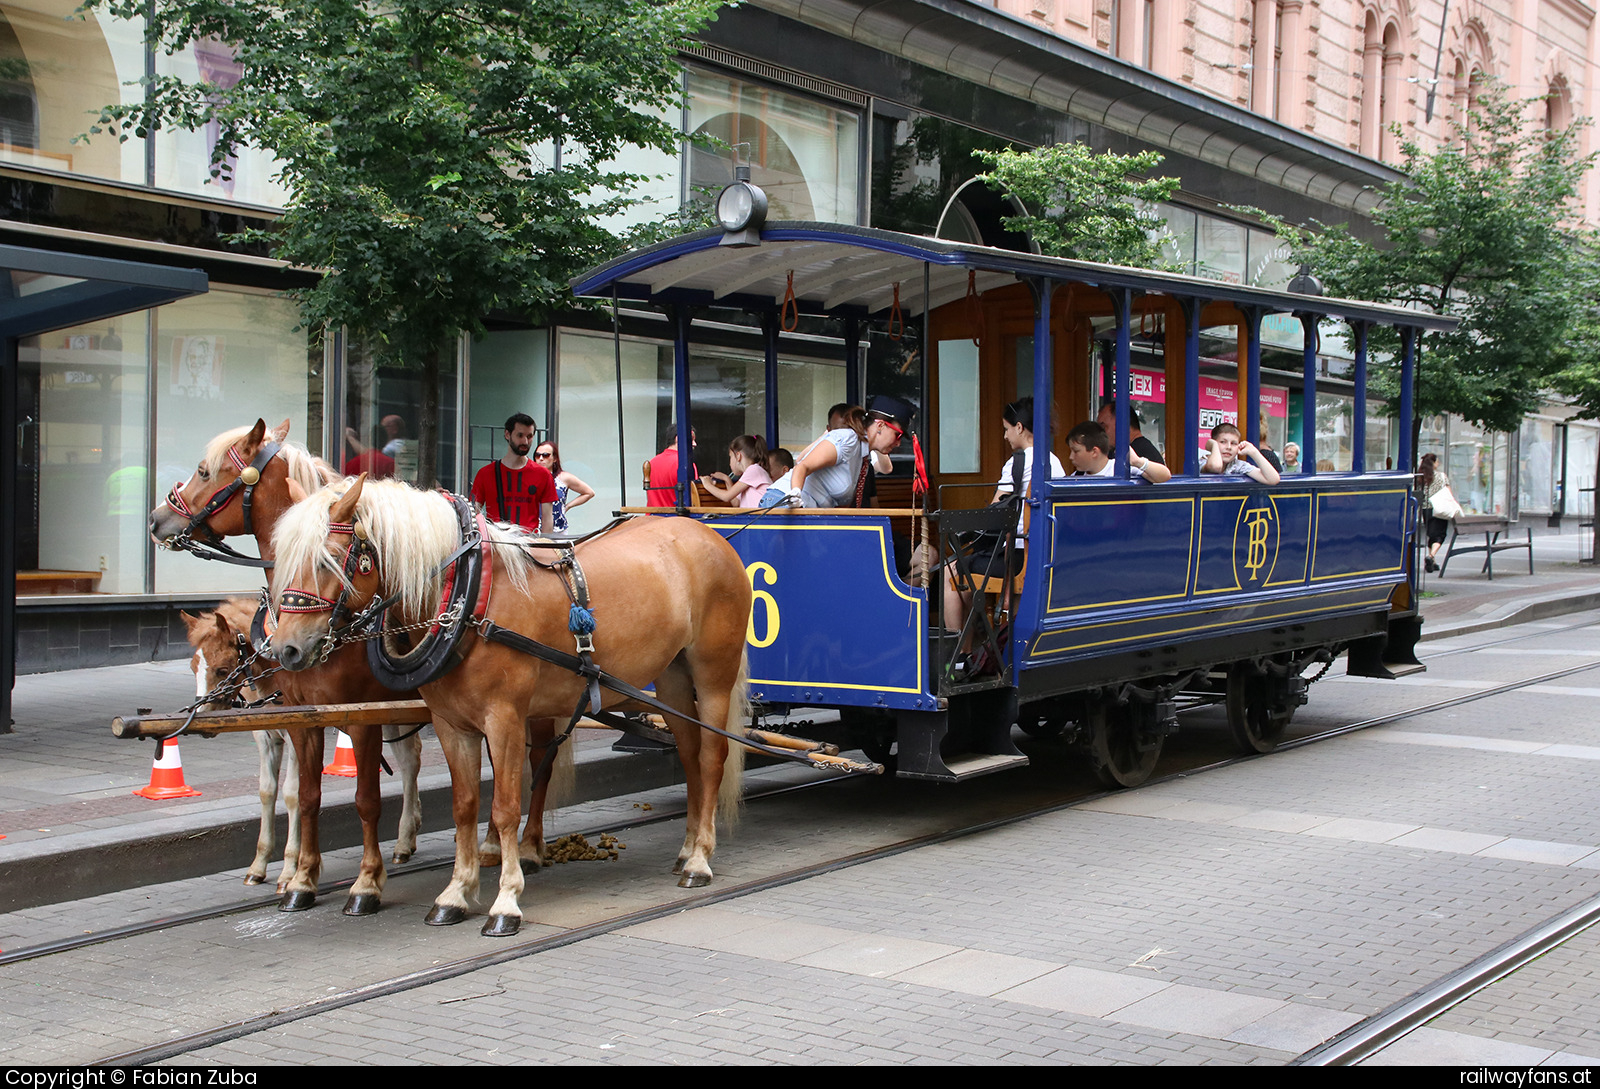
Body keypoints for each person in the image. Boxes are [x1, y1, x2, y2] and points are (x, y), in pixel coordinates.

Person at [944, 397, 1068, 638]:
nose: (1005, 436)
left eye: (1006, 429)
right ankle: (971, 654)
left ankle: (958, 654)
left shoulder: (1018, 463)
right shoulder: (1055, 462)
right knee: (966, 577)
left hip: (1017, 556)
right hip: (1043, 555)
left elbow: (993, 515)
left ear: (1019, 427)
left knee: (951, 572)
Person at [763, 396, 911, 508]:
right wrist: (795, 493)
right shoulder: (848, 439)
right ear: (881, 426)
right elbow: (803, 465)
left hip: (811, 512)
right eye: (898, 435)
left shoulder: (862, 457)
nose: (898, 443)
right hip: (784, 503)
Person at [471, 413, 557, 532]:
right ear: (507, 434)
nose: (525, 441)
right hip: (498, 545)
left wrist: (546, 547)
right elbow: (474, 513)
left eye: (529, 436)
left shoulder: (543, 474)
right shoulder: (485, 474)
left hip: (530, 545)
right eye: (520, 435)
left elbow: (548, 518)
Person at [1065, 421, 1172, 482]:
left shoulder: (1120, 467)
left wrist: (1138, 462)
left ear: (1094, 452)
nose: (1071, 457)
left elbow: (1165, 476)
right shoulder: (1076, 476)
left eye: (1076, 451)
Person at [533, 441, 595, 533]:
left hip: (558, 530)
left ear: (554, 458)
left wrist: (568, 506)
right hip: (533, 530)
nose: (541, 459)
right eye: (538, 455)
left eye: (546, 455)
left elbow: (589, 493)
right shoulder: (530, 477)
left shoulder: (563, 477)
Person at [701, 434, 772, 508]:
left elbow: (726, 497)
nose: (729, 463)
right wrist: (727, 479)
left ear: (738, 456)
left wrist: (707, 484)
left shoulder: (753, 470)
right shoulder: (750, 474)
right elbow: (736, 503)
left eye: (730, 457)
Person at [1201, 423, 1280, 484]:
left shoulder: (1237, 465)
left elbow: (1273, 479)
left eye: (1234, 443)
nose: (1228, 447)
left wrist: (1254, 452)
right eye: (1223, 442)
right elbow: (1215, 466)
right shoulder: (1203, 461)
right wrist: (1213, 445)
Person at [1096, 400, 1165, 466]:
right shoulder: (1117, 450)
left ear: (1121, 423)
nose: (1101, 434)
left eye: (1103, 427)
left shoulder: (1144, 454)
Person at [646, 429, 698, 508]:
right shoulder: (685, 464)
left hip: (653, 516)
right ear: (678, 438)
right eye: (692, 439)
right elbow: (693, 497)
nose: (695, 444)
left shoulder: (651, 462)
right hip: (676, 517)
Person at [1418, 452, 1452, 573]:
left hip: (1426, 509)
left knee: (1431, 534)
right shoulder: (1441, 476)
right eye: (1437, 461)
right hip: (1439, 508)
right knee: (1440, 535)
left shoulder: (1420, 477)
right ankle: (1431, 556)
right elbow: (1448, 493)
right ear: (1434, 463)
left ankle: (1433, 562)